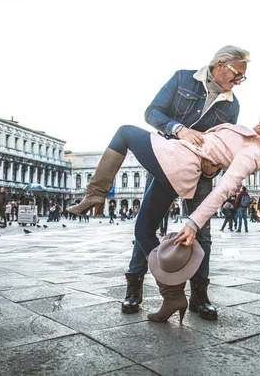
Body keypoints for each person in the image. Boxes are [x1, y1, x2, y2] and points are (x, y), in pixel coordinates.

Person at [68, 110, 260, 322]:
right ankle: (173, 296)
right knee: (143, 230)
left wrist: (193, 222)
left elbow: (224, 188)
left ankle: (95, 193)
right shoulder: (251, 141)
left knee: (125, 133)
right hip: (179, 167)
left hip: (178, 160)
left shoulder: (254, 154)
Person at [105, 45, 248, 320]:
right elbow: (152, 112)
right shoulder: (183, 79)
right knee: (146, 226)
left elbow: (226, 142)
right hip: (164, 158)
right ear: (220, 64)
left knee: (202, 233)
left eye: (242, 78)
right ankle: (134, 287)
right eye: (237, 74)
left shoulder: (233, 106)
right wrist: (177, 129)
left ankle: (198, 295)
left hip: (200, 172)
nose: (239, 82)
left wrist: (215, 165)